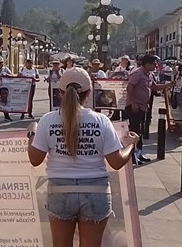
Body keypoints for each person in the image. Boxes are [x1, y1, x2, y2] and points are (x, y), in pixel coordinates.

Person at [28, 67, 139, 247]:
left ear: (60, 93)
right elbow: (117, 162)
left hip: (60, 192)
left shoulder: (48, 120)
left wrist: (32, 134)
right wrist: (131, 145)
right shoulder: (101, 121)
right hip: (96, 191)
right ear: (88, 93)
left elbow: (35, 159)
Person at [125, 54, 174, 166]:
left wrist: (168, 85)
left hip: (143, 107)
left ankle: (139, 154)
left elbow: (155, 87)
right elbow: (130, 88)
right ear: (146, 64)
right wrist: (133, 103)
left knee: (141, 132)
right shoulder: (137, 74)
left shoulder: (150, 75)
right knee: (135, 131)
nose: (155, 66)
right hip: (135, 107)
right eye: (153, 64)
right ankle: (132, 156)